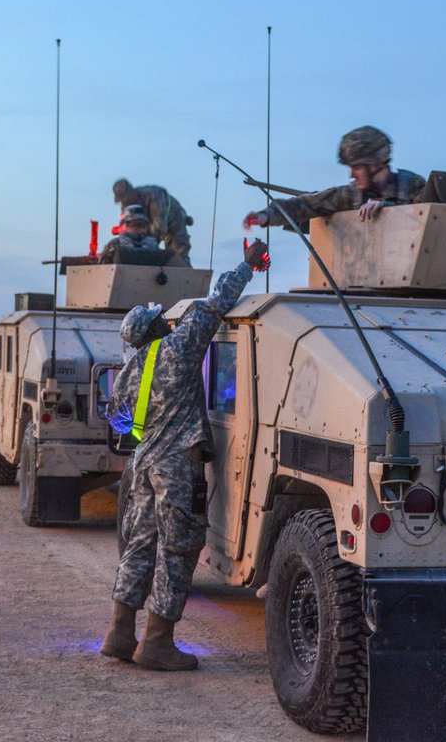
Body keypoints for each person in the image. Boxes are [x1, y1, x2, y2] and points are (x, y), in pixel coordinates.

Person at [101, 237, 270, 670]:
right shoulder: (176, 351)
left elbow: (119, 420)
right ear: (155, 330)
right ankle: (157, 643)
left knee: (138, 546)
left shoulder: (127, 374)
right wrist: (248, 264)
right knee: (176, 550)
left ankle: (119, 634)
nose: (166, 322)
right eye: (161, 320)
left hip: (141, 465)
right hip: (175, 466)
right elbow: (215, 306)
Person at [242, 125, 425, 230]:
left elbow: (431, 220)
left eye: (356, 167)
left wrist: (388, 210)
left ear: (375, 163)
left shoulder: (413, 188)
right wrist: (265, 216)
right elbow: (303, 205)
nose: (351, 175)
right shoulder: (350, 196)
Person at [113, 179, 194, 266]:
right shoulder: (127, 204)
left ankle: (187, 276)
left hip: (173, 219)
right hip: (149, 225)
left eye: (125, 198)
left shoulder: (154, 196)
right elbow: (124, 226)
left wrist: (145, 247)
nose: (124, 201)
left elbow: (160, 228)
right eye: (122, 199)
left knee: (178, 255)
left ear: (131, 193)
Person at [98, 205, 163, 264]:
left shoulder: (152, 244)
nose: (138, 228)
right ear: (124, 225)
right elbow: (102, 269)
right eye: (134, 225)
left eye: (142, 225)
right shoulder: (115, 245)